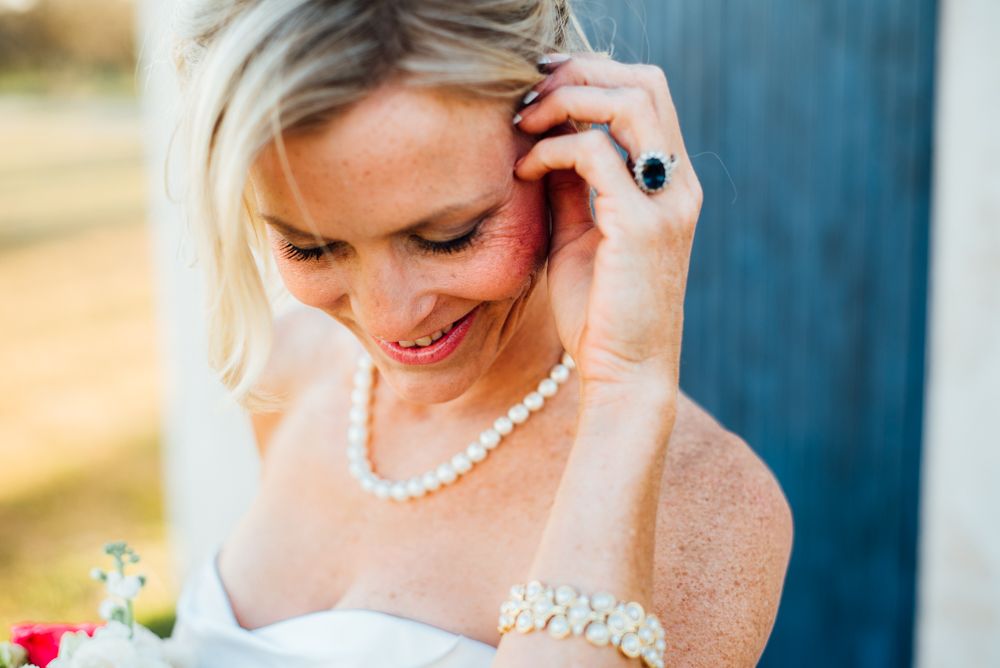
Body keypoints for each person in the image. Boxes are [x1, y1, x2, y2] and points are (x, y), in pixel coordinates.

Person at [168, 1, 793, 666]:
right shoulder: (291, 372)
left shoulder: (711, 507)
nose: (389, 319)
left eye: (450, 237)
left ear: (565, 142)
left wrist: (626, 391)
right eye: (312, 248)